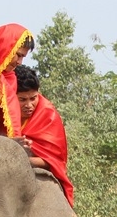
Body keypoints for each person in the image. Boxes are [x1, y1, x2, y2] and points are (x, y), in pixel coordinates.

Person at [14, 65, 75, 206]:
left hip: (40, 180)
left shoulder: (49, 115)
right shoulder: (1, 112)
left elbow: (56, 162)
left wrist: (21, 158)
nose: (29, 105)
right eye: (22, 99)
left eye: (33, 98)